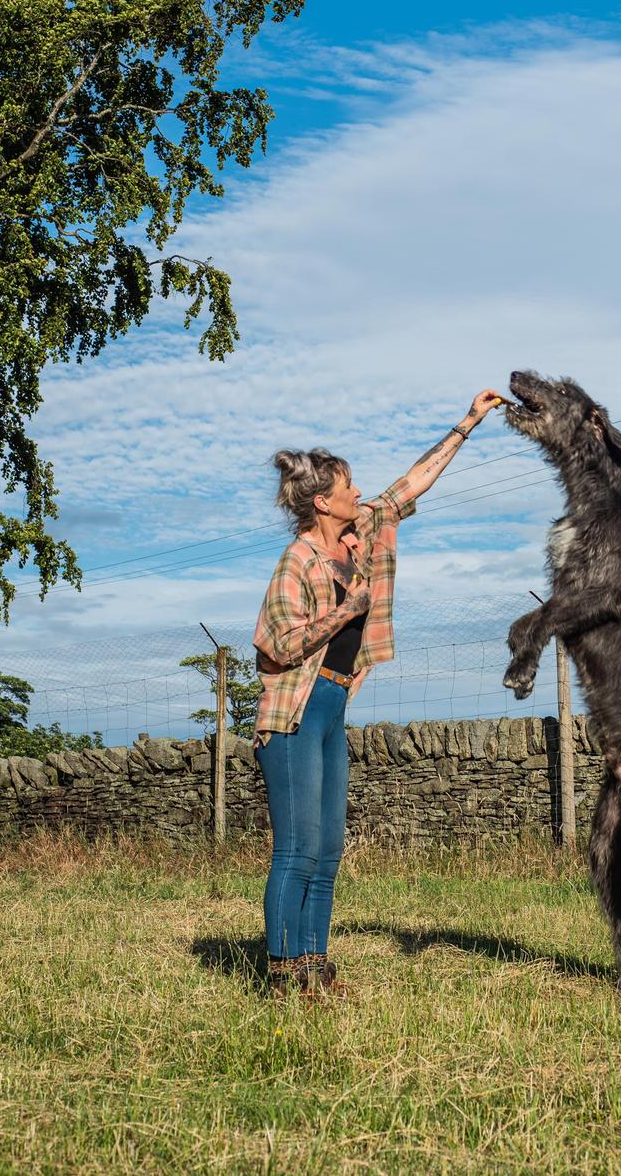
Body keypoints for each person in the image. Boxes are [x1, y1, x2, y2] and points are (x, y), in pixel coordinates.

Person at [253, 388, 504, 993]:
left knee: (330, 848)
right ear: (323, 501)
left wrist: (468, 424)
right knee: (296, 848)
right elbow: (274, 647)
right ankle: (283, 975)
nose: (359, 493)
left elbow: (411, 485)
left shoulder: (362, 532)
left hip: (334, 704)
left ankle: (315, 965)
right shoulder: (298, 562)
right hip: (293, 715)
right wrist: (346, 613)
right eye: (348, 486)